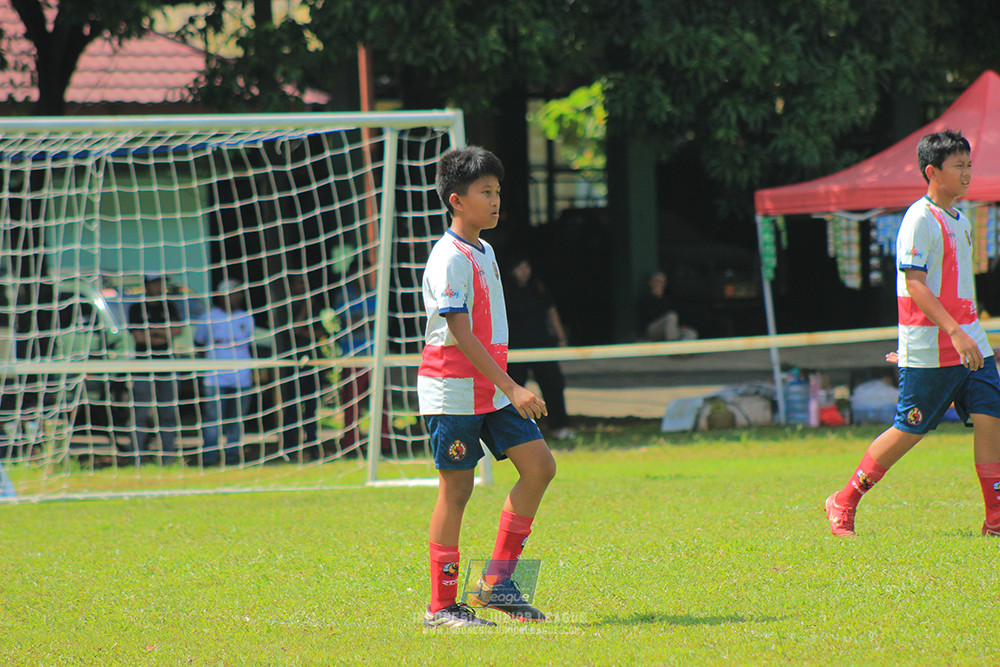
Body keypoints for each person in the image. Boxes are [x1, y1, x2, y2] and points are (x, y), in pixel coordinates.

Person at [824, 130, 1000, 537]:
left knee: (991, 418)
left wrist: (965, 332)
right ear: (932, 172)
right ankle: (844, 500)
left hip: (971, 342)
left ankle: (995, 519)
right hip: (936, 346)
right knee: (911, 428)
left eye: (969, 165)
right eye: (959, 166)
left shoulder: (961, 217)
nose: (968, 173)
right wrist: (944, 335)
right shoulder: (919, 218)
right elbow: (915, 284)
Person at [418, 146, 557, 629]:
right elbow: (460, 331)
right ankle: (441, 607)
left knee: (539, 467)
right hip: (453, 390)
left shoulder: (486, 249)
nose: (496, 201)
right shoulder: (448, 257)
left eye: (498, 191)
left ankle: (496, 583)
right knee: (456, 491)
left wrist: (505, 387)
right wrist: (514, 387)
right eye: (486, 192)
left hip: (491, 390)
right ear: (456, 200)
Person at [505, 256, 575, 440]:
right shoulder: (505, 291)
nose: (525, 271)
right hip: (516, 347)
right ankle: (511, 431)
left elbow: (551, 311)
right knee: (514, 387)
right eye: (520, 267)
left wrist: (561, 337)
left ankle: (559, 427)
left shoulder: (537, 288)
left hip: (541, 343)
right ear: (512, 271)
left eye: (527, 266)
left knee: (553, 383)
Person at [194, 279, 256, 466]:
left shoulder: (247, 317)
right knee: (213, 419)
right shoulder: (208, 317)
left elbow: (251, 347)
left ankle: (232, 456)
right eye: (232, 293)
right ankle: (209, 457)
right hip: (215, 379)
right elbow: (198, 343)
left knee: (237, 420)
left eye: (238, 293)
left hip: (241, 378)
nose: (236, 297)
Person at [333, 274, 395, 457]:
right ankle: (350, 444)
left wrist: (362, 320)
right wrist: (368, 320)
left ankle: (383, 443)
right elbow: (347, 321)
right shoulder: (345, 295)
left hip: (376, 356)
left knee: (381, 402)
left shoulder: (375, 293)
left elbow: (384, 320)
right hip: (353, 357)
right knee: (352, 403)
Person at [128, 274, 183, 463]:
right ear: (146, 285)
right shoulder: (136, 309)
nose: (159, 286)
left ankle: (169, 457)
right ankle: (137, 458)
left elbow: (177, 331)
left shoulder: (169, 306)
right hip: (143, 367)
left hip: (166, 366)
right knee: (140, 414)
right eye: (155, 282)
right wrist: (163, 333)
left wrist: (153, 331)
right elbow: (140, 338)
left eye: (161, 282)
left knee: (167, 413)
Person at [279, 274, 324, 461]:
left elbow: (322, 332)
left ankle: (312, 448)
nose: (303, 286)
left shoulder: (315, 307)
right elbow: (295, 329)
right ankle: (289, 449)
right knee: (292, 408)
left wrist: (309, 332)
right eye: (299, 283)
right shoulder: (287, 307)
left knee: (311, 408)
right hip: (294, 364)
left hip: (312, 363)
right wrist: (305, 309)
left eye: (305, 283)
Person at [637, 270, 697, 341]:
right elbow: (651, 317)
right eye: (658, 281)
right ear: (651, 282)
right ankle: (671, 344)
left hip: (669, 330)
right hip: (653, 330)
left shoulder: (667, 300)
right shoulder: (645, 299)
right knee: (671, 316)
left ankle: (678, 350)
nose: (660, 284)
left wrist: (679, 326)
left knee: (691, 333)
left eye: (662, 282)